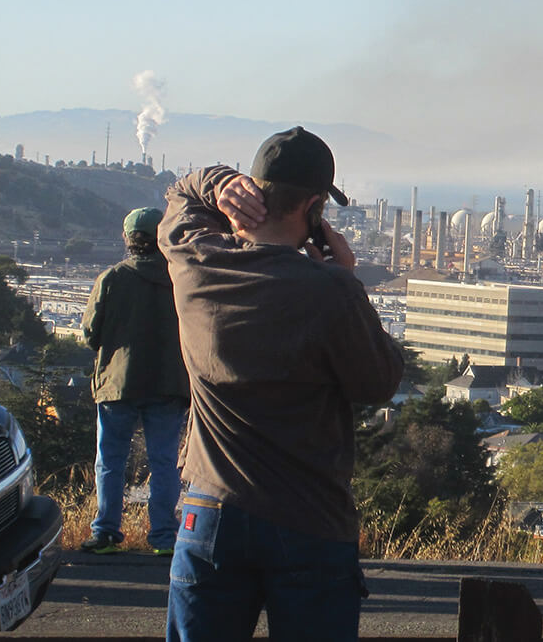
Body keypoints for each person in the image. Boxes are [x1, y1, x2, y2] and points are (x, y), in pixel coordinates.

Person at [157, 126, 405, 641]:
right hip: (309, 516)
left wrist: (219, 182)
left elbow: (181, 194)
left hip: (211, 508)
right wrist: (346, 278)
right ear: (315, 208)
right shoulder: (330, 290)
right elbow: (378, 380)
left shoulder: (196, 263)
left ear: (251, 191)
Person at [80, 207, 190, 556]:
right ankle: (163, 537)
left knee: (110, 460)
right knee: (163, 461)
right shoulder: (180, 281)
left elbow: (89, 334)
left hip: (118, 383)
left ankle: (106, 533)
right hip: (168, 384)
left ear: (128, 239)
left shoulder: (111, 279)